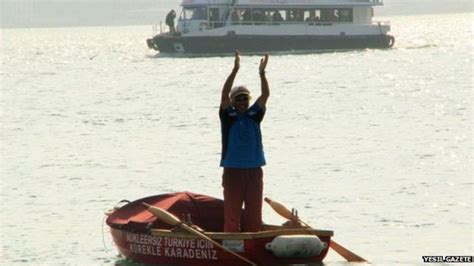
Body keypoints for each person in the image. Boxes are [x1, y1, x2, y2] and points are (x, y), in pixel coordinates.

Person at [219, 50, 269, 232]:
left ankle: (253, 249)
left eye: (245, 99)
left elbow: (265, 95)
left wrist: (262, 74)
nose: (242, 102)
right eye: (238, 99)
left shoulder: (254, 115)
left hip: (254, 171)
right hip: (233, 171)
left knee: (254, 216)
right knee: (232, 216)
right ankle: (232, 247)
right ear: (233, 101)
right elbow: (224, 95)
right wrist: (235, 70)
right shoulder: (228, 117)